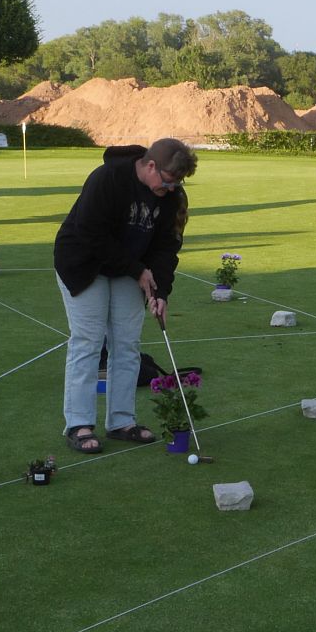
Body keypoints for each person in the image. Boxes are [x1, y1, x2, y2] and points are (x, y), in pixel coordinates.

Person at [54, 138, 198, 453]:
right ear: (150, 166)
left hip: (128, 270)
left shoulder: (170, 197)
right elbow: (91, 234)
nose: (170, 189)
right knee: (88, 342)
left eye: (176, 184)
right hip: (83, 264)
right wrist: (137, 269)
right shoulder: (108, 178)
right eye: (167, 181)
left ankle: (121, 422)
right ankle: (79, 425)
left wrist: (160, 290)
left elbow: (166, 248)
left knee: (127, 344)